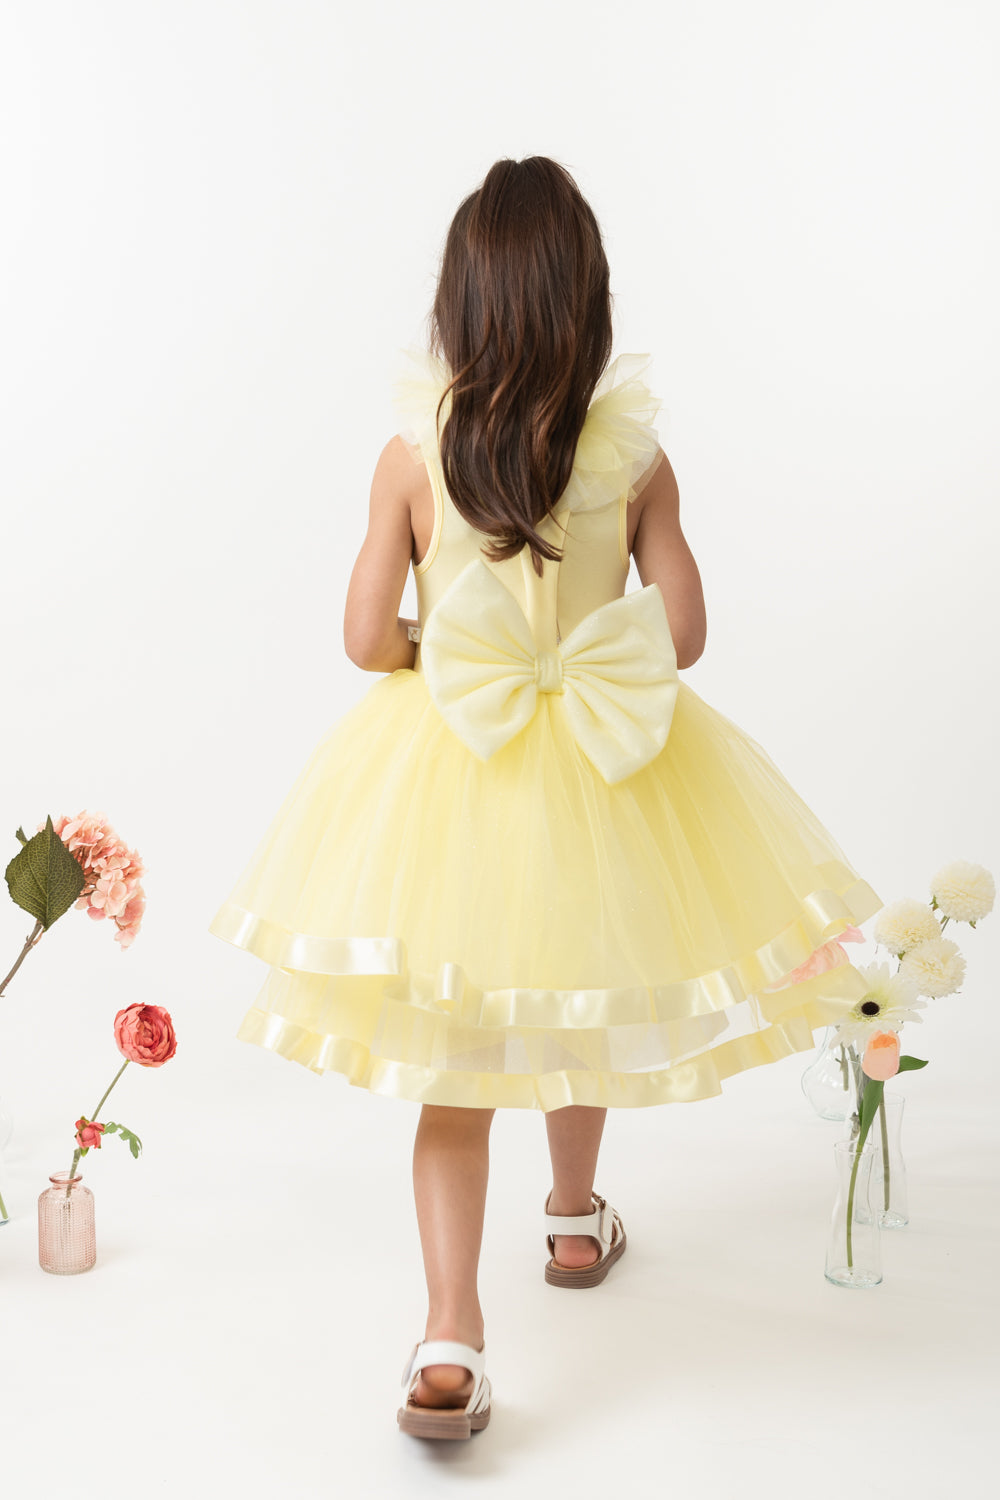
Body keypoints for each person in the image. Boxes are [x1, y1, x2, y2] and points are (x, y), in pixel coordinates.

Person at [209, 155, 881, 1441]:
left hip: (447, 788)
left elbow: (362, 638)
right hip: (603, 770)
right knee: (584, 990)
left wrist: (445, 656)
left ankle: (448, 1338)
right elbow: (680, 633)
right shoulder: (634, 460)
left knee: (456, 1064)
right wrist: (580, 653)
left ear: (459, 304)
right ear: (590, 302)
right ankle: (573, 1223)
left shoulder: (411, 457)